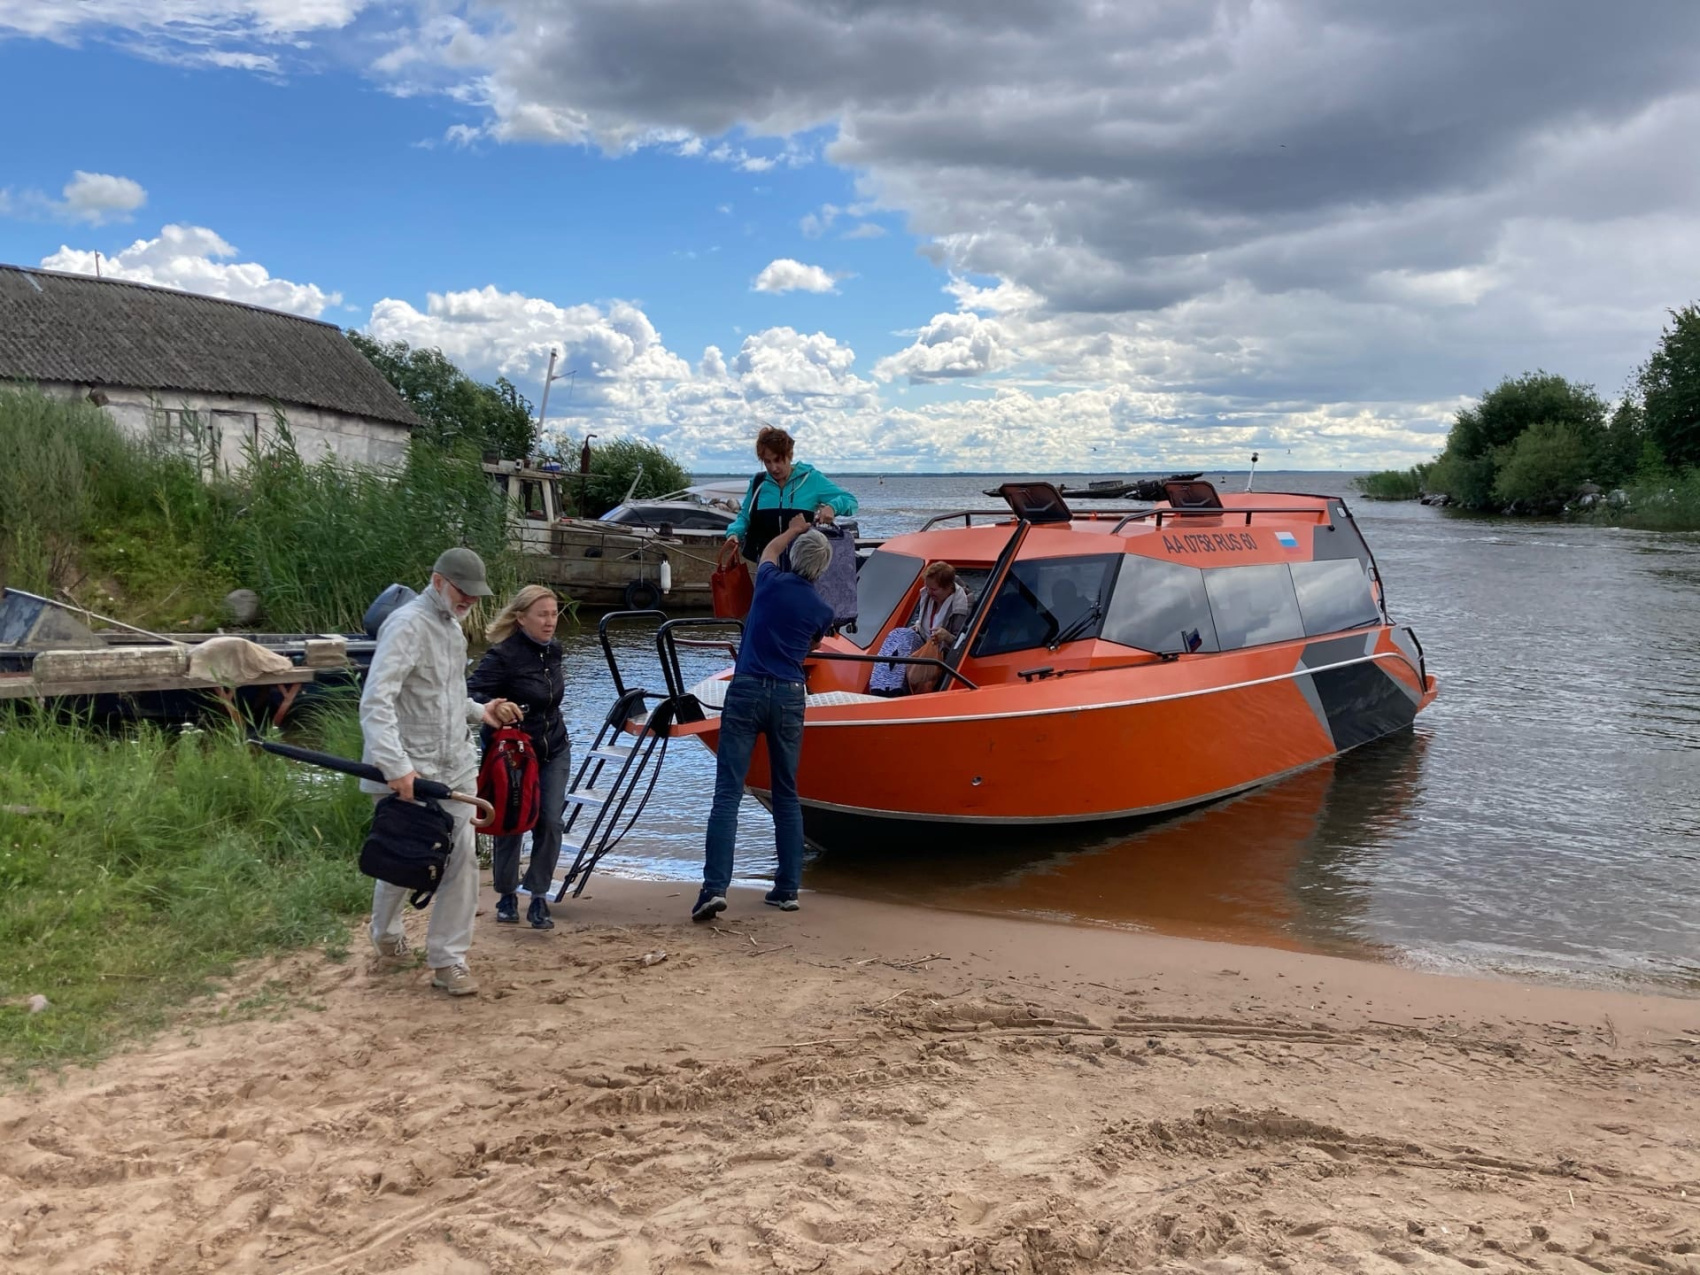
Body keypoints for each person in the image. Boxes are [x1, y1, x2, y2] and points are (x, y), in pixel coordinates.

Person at [360, 547, 519, 997]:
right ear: (437, 582)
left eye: (475, 594)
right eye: (462, 591)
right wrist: (396, 767)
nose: (470, 600)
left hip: (454, 766)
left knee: (461, 859)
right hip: (410, 769)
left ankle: (448, 961)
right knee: (404, 857)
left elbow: (443, 695)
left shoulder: (452, 630)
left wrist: (479, 711)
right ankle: (387, 935)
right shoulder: (407, 626)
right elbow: (376, 702)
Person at [693, 514, 834, 923]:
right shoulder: (822, 609)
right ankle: (787, 889)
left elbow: (769, 551)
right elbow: (813, 643)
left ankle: (714, 888)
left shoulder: (770, 582)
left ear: (794, 557)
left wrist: (792, 529)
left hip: (749, 687)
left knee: (727, 793)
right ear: (821, 569)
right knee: (787, 793)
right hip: (790, 694)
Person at [469, 585, 570, 932]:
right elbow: (471, 693)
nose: (550, 621)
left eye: (554, 613)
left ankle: (538, 895)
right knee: (512, 820)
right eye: (542, 614)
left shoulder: (554, 651)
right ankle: (506, 894)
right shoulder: (503, 655)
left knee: (551, 821)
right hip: (511, 753)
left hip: (554, 746)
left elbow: (551, 699)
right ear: (520, 617)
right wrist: (496, 705)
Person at [722, 425, 858, 564]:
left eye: (778, 460)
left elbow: (851, 501)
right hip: (766, 565)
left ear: (790, 455)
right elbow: (745, 516)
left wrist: (833, 507)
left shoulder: (811, 479)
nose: (773, 468)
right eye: (767, 462)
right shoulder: (758, 482)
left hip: (802, 567)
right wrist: (734, 533)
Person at [913, 562, 972, 648]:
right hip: (924, 648)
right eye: (927, 587)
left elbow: (963, 646)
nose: (929, 592)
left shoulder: (962, 608)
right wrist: (918, 626)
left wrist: (947, 637)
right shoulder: (926, 596)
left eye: (933, 589)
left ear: (948, 587)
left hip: (943, 657)